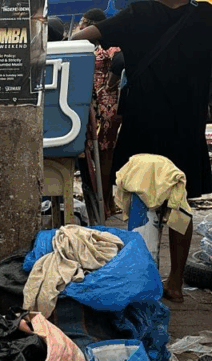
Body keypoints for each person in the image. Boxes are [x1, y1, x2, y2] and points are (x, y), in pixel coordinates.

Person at [74, 0, 212, 302]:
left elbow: (80, 38)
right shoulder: (206, 16)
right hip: (187, 127)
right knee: (180, 203)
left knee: (142, 195)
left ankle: (142, 280)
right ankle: (174, 281)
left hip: (144, 123)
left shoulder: (139, 14)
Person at [73, 9, 121, 218]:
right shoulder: (85, 45)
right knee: (96, 155)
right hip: (91, 105)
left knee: (104, 155)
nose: (81, 27)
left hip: (106, 108)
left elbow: (120, 63)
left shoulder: (108, 45)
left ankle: (107, 204)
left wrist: (107, 86)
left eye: (84, 23)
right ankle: (105, 202)